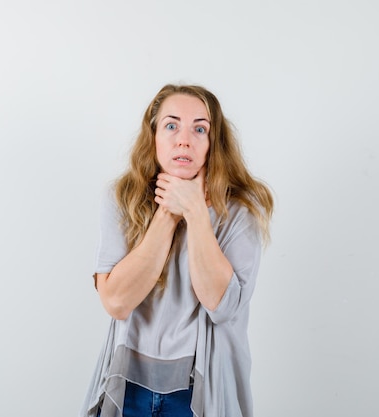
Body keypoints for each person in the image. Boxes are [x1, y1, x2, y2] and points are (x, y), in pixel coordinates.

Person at [81, 84, 274, 417]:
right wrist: (169, 212)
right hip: (128, 387)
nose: (184, 139)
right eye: (172, 125)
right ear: (153, 135)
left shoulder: (241, 209)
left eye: (200, 129)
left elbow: (222, 305)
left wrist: (196, 211)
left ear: (214, 143)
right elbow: (116, 301)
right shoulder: (121, 197)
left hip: (199, 391)